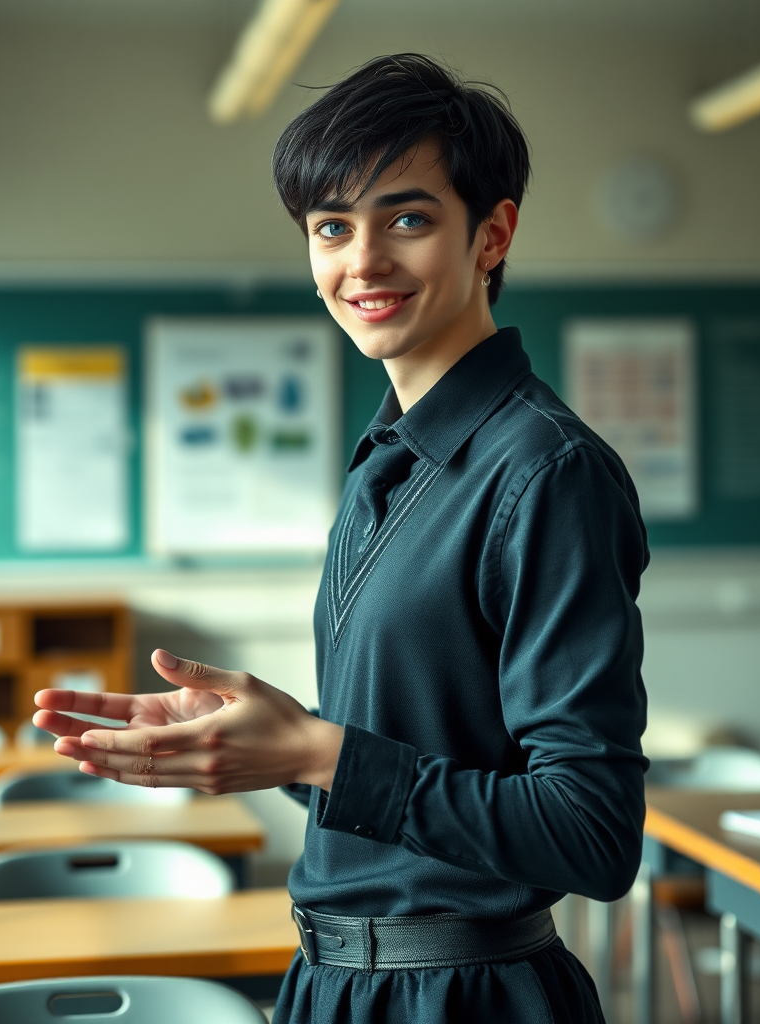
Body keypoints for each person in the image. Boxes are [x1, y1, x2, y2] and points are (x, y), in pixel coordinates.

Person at [34, 54, 649, 1023]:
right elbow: (399, 763)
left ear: (492, 234)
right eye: (331, 227)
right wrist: (259, 747)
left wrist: (319, 753)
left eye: (407, 219)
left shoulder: (545, 471)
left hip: (463, 996)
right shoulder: (382, 462)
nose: (360, 262)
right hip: (330, 985)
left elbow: (591, 833)